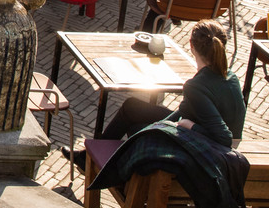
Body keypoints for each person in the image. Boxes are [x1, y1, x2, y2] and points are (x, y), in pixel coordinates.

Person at [63, 20, 244, 168]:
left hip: (210, 149)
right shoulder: (231, 76)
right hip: (212, 139)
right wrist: (162, 124)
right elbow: (189, 111)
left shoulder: (196, 85)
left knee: (137, 130)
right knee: (132, 107)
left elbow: (224, 137)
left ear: (192, 46)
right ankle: (88, 158)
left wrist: (189, 126)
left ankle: (115, 172)